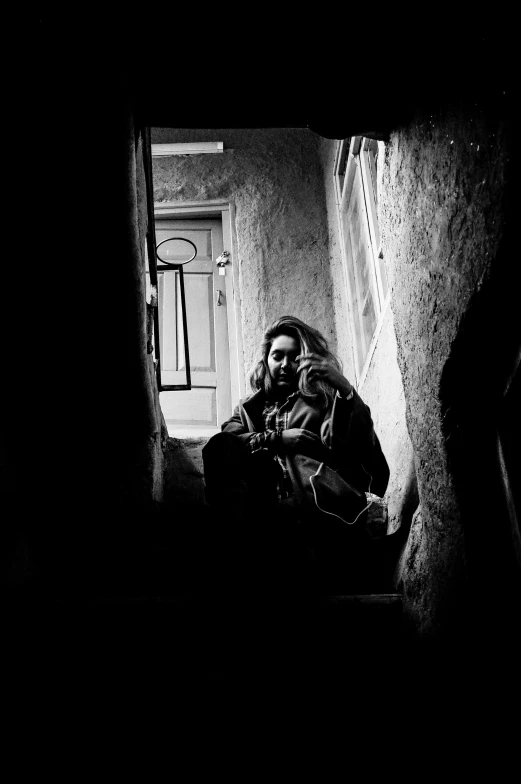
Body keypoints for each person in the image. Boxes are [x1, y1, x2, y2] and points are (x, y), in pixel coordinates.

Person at [202, 315, 389, 593]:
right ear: (266, 360)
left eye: (294, 357)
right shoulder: (248, 409)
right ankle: (234, 548)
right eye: (277, 356)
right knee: (224, 447)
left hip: (307, 501)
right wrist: (278, 439)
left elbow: (345, 445)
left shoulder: (322, 403)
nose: (285, 365)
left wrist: (345, 390)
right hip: (258, 500)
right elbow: (231, 442)